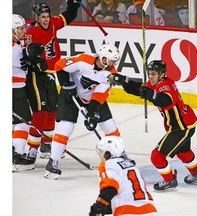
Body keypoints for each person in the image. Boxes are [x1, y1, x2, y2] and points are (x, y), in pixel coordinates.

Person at [108, 60, 197, 192]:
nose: (150, 77)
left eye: (153, 74)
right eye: (149, 74)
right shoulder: (157, 83)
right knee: (183, 152)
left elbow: (166, 100)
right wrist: (124, 81)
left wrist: (151, 95)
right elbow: (140, 89)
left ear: (162, 74)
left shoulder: (165, 86)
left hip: (181, 128)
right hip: (186, 123)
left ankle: (170, 180)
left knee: (157, 156)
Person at [44, 43, 122, 180]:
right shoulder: (84, 60)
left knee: (110, 126)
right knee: (65, 128)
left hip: (91, 97)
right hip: (71, 94)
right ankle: (53, 162)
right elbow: (59, 65)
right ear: (103, 58)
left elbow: (99, 96)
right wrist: (67, 85)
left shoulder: (111, 74)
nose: (113, 64)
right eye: (111, 61)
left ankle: (121, 156)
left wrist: (92, 115)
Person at [24, 1, 80, 162]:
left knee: (52, 112)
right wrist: (33, 58)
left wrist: (73, 5)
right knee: (40, 114)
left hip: (50, 74)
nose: (46, 19)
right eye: (42, 17)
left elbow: (67, 17)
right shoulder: (31, 32)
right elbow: (26, 53)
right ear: (36, 17)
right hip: (36, 77)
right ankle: (32, 150)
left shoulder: (53, 24)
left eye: (47, 16)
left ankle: (46, 144)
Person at [89, 136, 158, 216]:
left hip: (126, 211)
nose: (100, 155)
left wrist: (99, 207)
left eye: (101, 151)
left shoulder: (108, 164)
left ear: (108, 153)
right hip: (150, 211)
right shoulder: (132, 165)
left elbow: (110, 188)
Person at [12, 14, 47, 172]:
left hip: (14, 87)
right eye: (20, 28)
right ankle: (17, 156)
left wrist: (28, 52)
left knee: (13, 122)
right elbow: (24, 61)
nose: (24, 31)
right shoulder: (13, 48)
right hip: (15, 88)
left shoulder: (15, 44)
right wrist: (31, 56)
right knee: (24, 121)